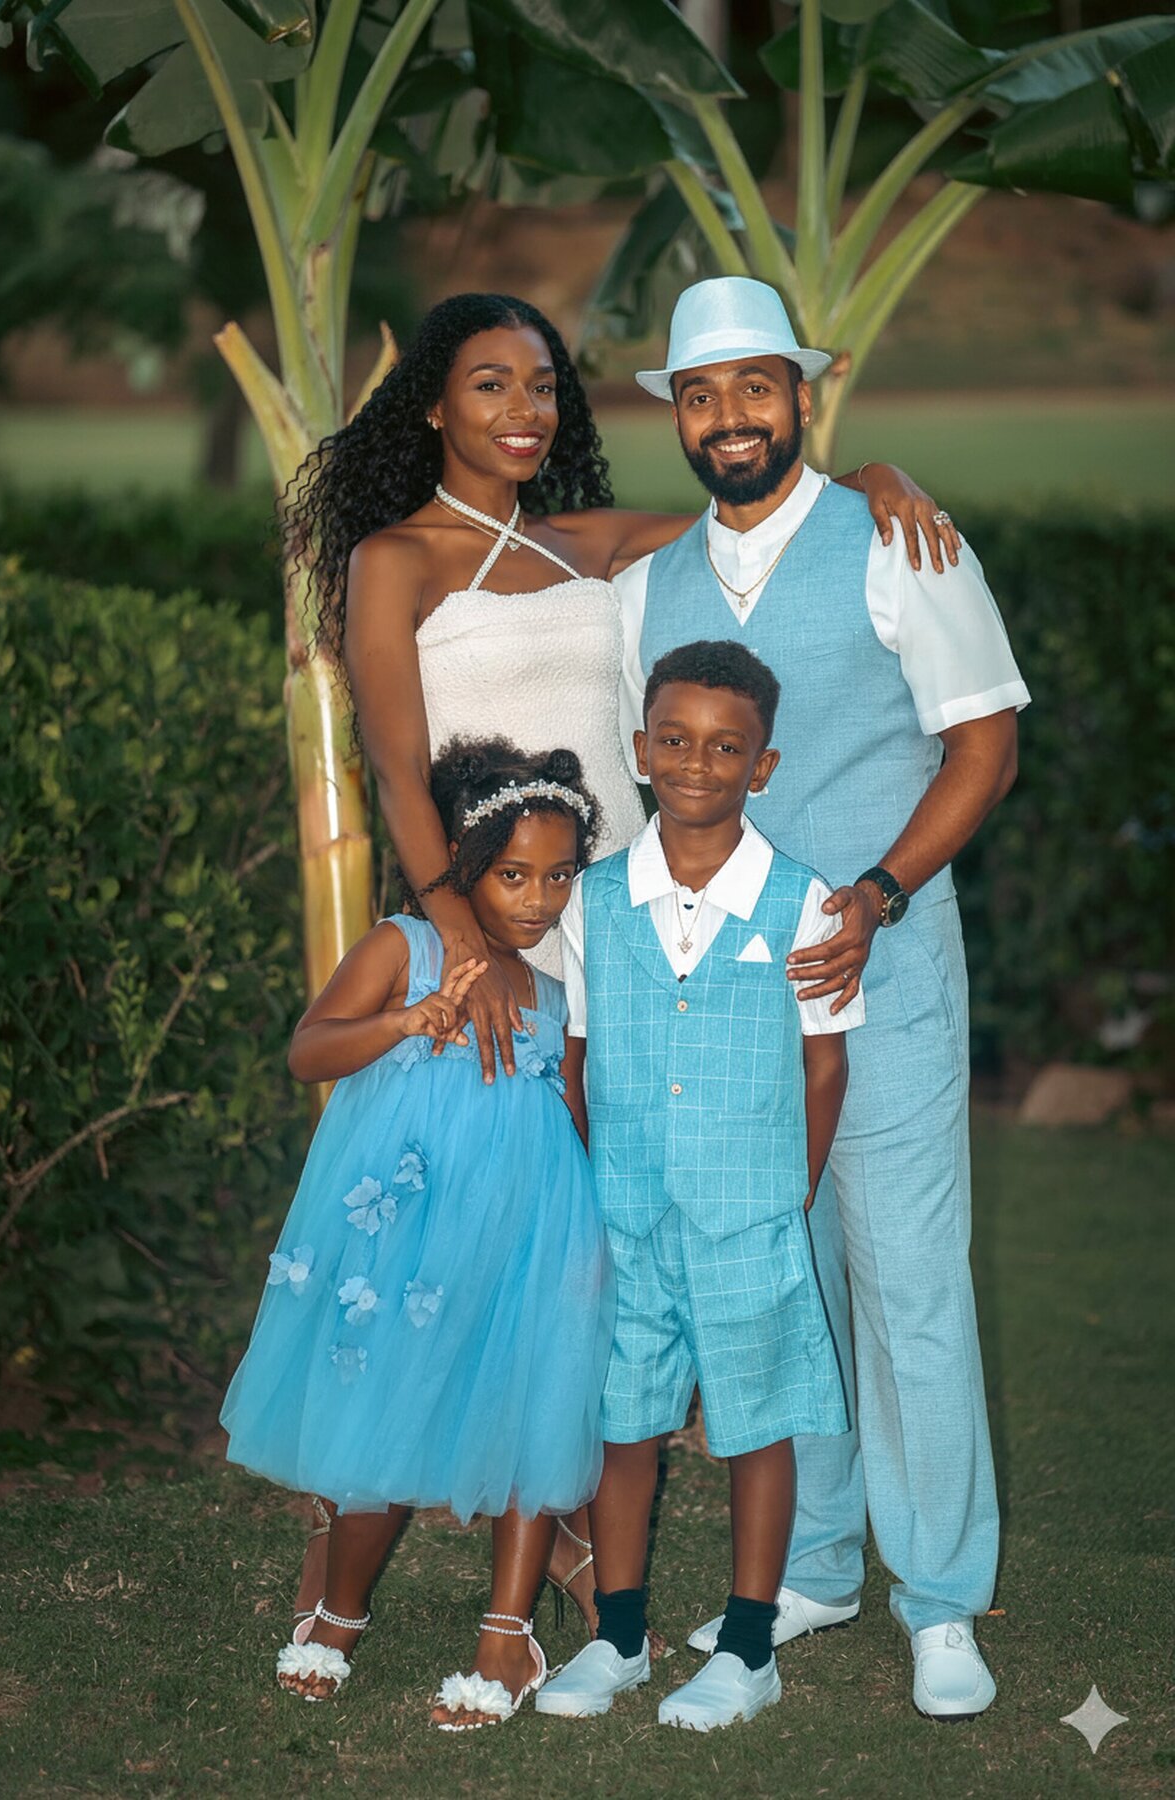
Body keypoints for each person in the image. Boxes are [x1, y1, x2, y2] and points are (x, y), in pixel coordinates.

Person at [283, 288, 961, 1627]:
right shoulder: (393, 559)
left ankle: (572, 1535)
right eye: (491, 384)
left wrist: (874, 482)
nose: (525, 410)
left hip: (628, 940)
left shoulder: (592, 540)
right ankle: (355, 1537)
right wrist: (463, 937)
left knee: (592, 1253)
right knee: (464, 1246)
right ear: (434, 404)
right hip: (494, 937)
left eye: (544, 386)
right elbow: (398, 768)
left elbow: (766, 516)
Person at [617, 276, 1030, 1719]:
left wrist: (880, 895)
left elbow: (985, 746)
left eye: (755, 386)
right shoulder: (651, 588)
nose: (730, 417)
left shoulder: (899, 543)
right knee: (774, 1283)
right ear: (678, 416)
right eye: (700, 394)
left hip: (887, 970)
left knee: (908, 1283)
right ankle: (818, 1563)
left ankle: (942, 1600)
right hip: (728, 1011)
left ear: (803, 395)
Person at [220, 740, 613, 1727]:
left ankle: (508, 1634)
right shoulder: (406, 947)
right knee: (385, 1407)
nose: (539, 899)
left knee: (529, 1407)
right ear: (462, 866)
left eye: (560, 875)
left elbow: (571, 1115)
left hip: (533, 1233)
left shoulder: (555, 995)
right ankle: (340, 1608)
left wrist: (594, 1243)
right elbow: (310, 1051)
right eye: (513, 874)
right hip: (415, 1243)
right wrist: (400, 1024)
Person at [537, 640, 863, 1731]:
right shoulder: (594, 900)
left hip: (749, 1214)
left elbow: (825, 1063)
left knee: (756, 1423)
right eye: (674, 740)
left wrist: (790, 1191)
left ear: (761, 767)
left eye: (727, 748)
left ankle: (750, 1646)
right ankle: (619, 1637)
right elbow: (577, 1054)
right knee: (622, 1423)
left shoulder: (804, 903)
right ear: (639, 750)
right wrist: (591, 1184)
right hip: (625, 1212)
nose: (696, 764)